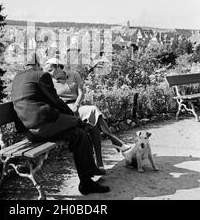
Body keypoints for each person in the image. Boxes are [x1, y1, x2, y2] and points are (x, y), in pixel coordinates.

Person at [11, 52, 110, 195]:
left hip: (30, 132)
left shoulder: (17, 78)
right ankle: (82, 127)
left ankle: (87, 182)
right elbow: (55, 101)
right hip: (43, 126)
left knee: (79, 135)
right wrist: (70, 115)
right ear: (38, 65)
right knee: (78, 126)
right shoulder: (41, 76)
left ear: (24, 66)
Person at [44, 57, 131, 171]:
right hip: (64, 110)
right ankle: (113, 140)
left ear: (59, 67)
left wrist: (77, 104)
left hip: (77, 106)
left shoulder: (74, 75)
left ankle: (99, 163)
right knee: (93, 109)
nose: (49, 73)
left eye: (51, 70)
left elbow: (81, 93)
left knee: (93, 125)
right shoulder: (50, 81)